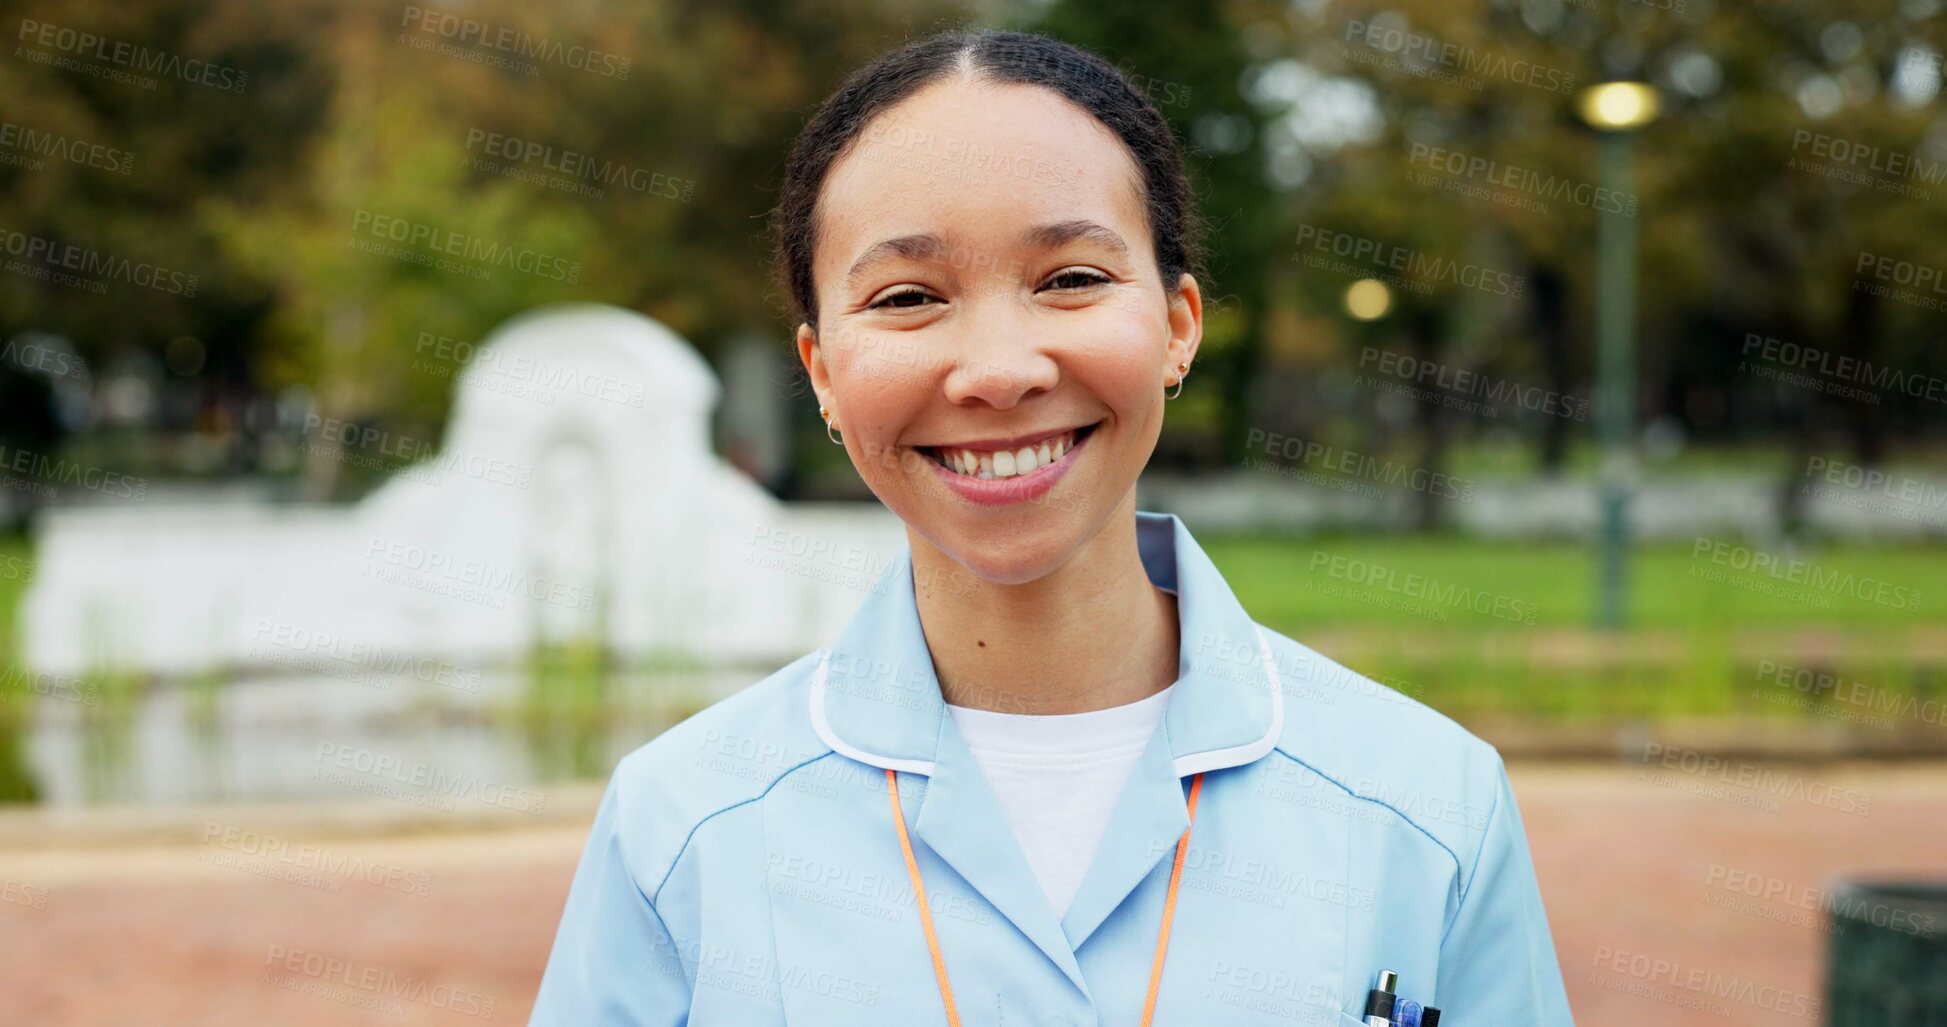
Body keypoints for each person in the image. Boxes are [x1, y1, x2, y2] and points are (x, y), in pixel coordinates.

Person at [529, 28, 1573, 1027]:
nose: (998, 369)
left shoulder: (1426, 808)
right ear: (823, 375)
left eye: (1070, 278)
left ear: (1176, 325)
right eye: (907, 295)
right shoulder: (684, 825)